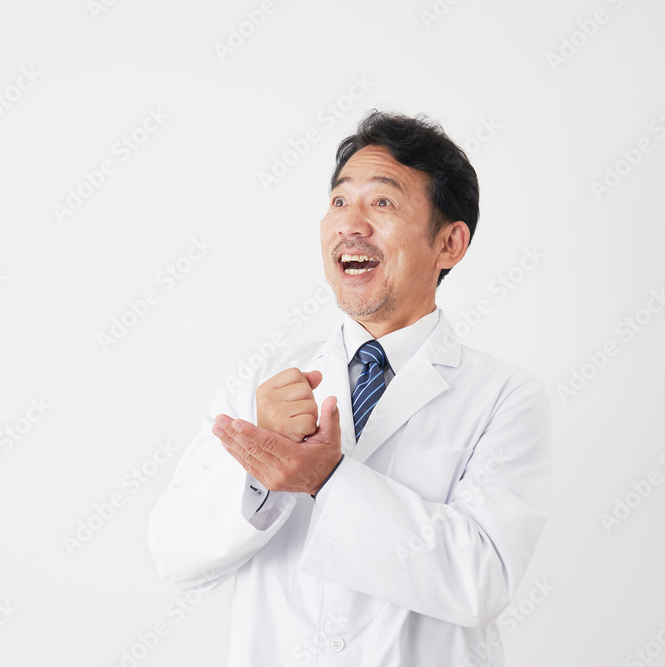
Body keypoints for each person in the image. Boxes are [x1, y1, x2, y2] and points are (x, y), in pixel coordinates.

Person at [148, 110, 551, 666]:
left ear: (450, 244)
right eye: (339, 201)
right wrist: (258, 469)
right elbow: (175, 556)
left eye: (382, 202)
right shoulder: (262, 382)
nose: (350, 224)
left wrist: (329, 479)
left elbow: (480, 581)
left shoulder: (505, 398)